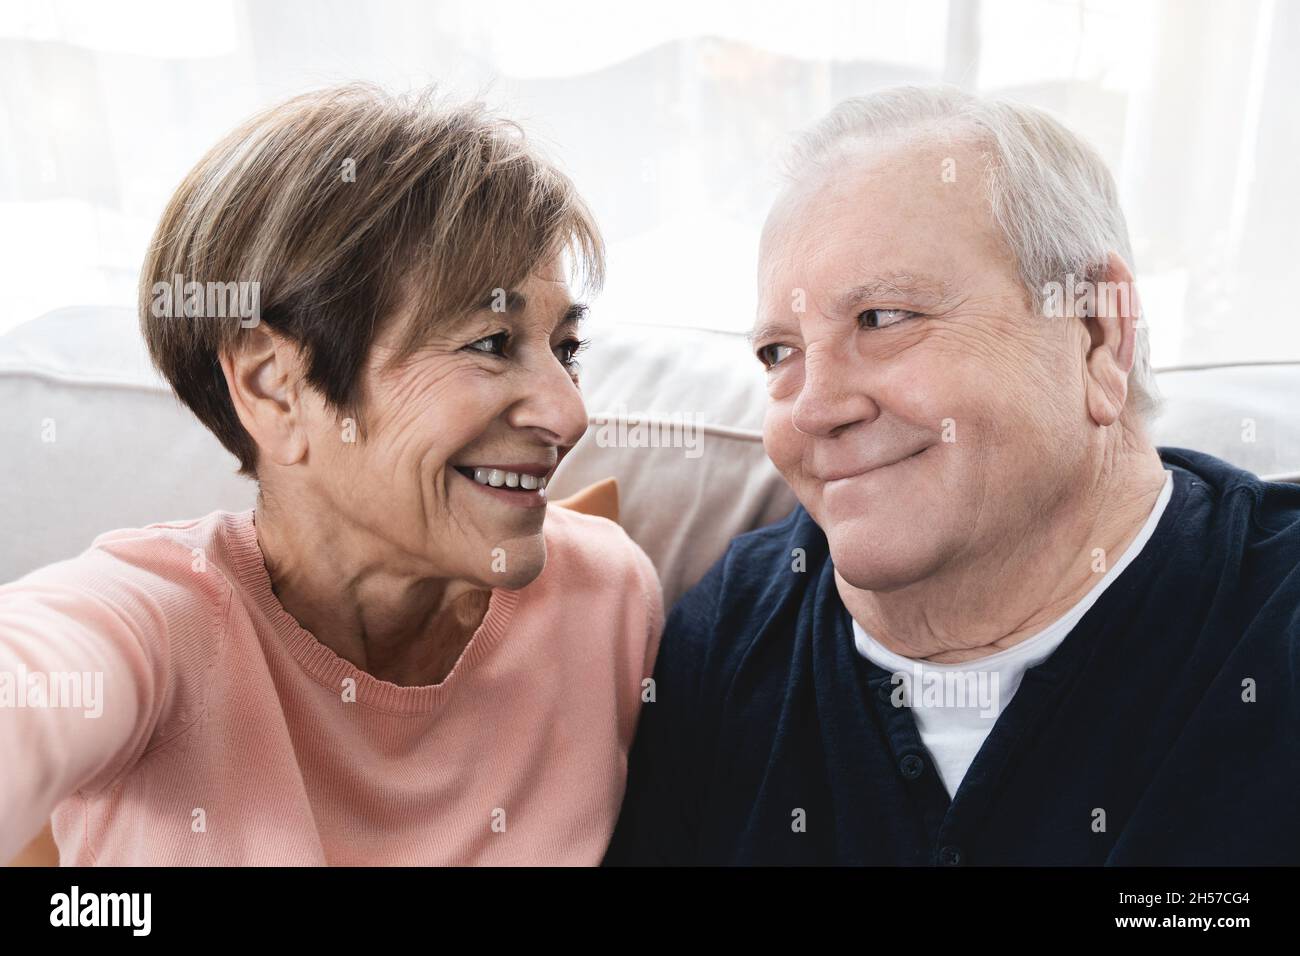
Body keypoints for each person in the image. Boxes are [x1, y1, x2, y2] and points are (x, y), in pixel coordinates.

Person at [606, 85, 1300, 865]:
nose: (815, 408)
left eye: (884, 318)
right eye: (779, 353)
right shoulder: (732, 627)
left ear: (1099, 332)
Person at [0, 85, 662, 866]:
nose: (569, 413)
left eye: (567, 349)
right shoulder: (151, 621)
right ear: (274, 387)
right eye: (489, 342)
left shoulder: (606, 598)